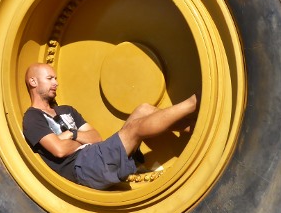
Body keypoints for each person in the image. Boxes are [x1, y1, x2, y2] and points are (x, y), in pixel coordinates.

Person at [22, 63, 197, 190]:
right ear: (33, 82)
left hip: (95, 154)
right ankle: (194, 102)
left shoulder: (66, 110)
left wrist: (71, 134)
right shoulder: (32, 117)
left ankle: (189, 126)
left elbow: (96, 137)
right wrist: (79, 139)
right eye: (50, 79)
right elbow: (59, 150)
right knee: (135, 129)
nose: (56, 83)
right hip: (83, 167)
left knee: (143, 109)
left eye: (56, 78)